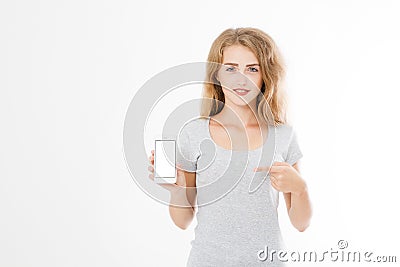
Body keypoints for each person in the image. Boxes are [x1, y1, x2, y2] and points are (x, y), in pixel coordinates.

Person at [148, 27, 312, 266]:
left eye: (252, 69)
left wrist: (300, 189)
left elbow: (301, 223)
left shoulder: (283, 136)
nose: (241, 79)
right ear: (217, 74)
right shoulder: (194, 134)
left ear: (265, 76)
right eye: (231, 69)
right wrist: (175, 191)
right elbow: (182, 221)